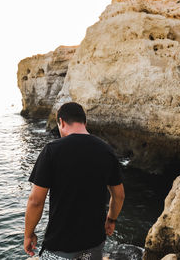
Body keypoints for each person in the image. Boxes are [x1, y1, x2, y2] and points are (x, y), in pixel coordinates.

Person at [24, 102, 125, 259]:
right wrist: (111, 220)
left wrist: (28, 234)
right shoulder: (107, 151)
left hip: (60, 246)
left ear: (62, 122)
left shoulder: (52, 150)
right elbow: (119, 195)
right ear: (85, 122)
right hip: (94, 243)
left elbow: (36, 201)